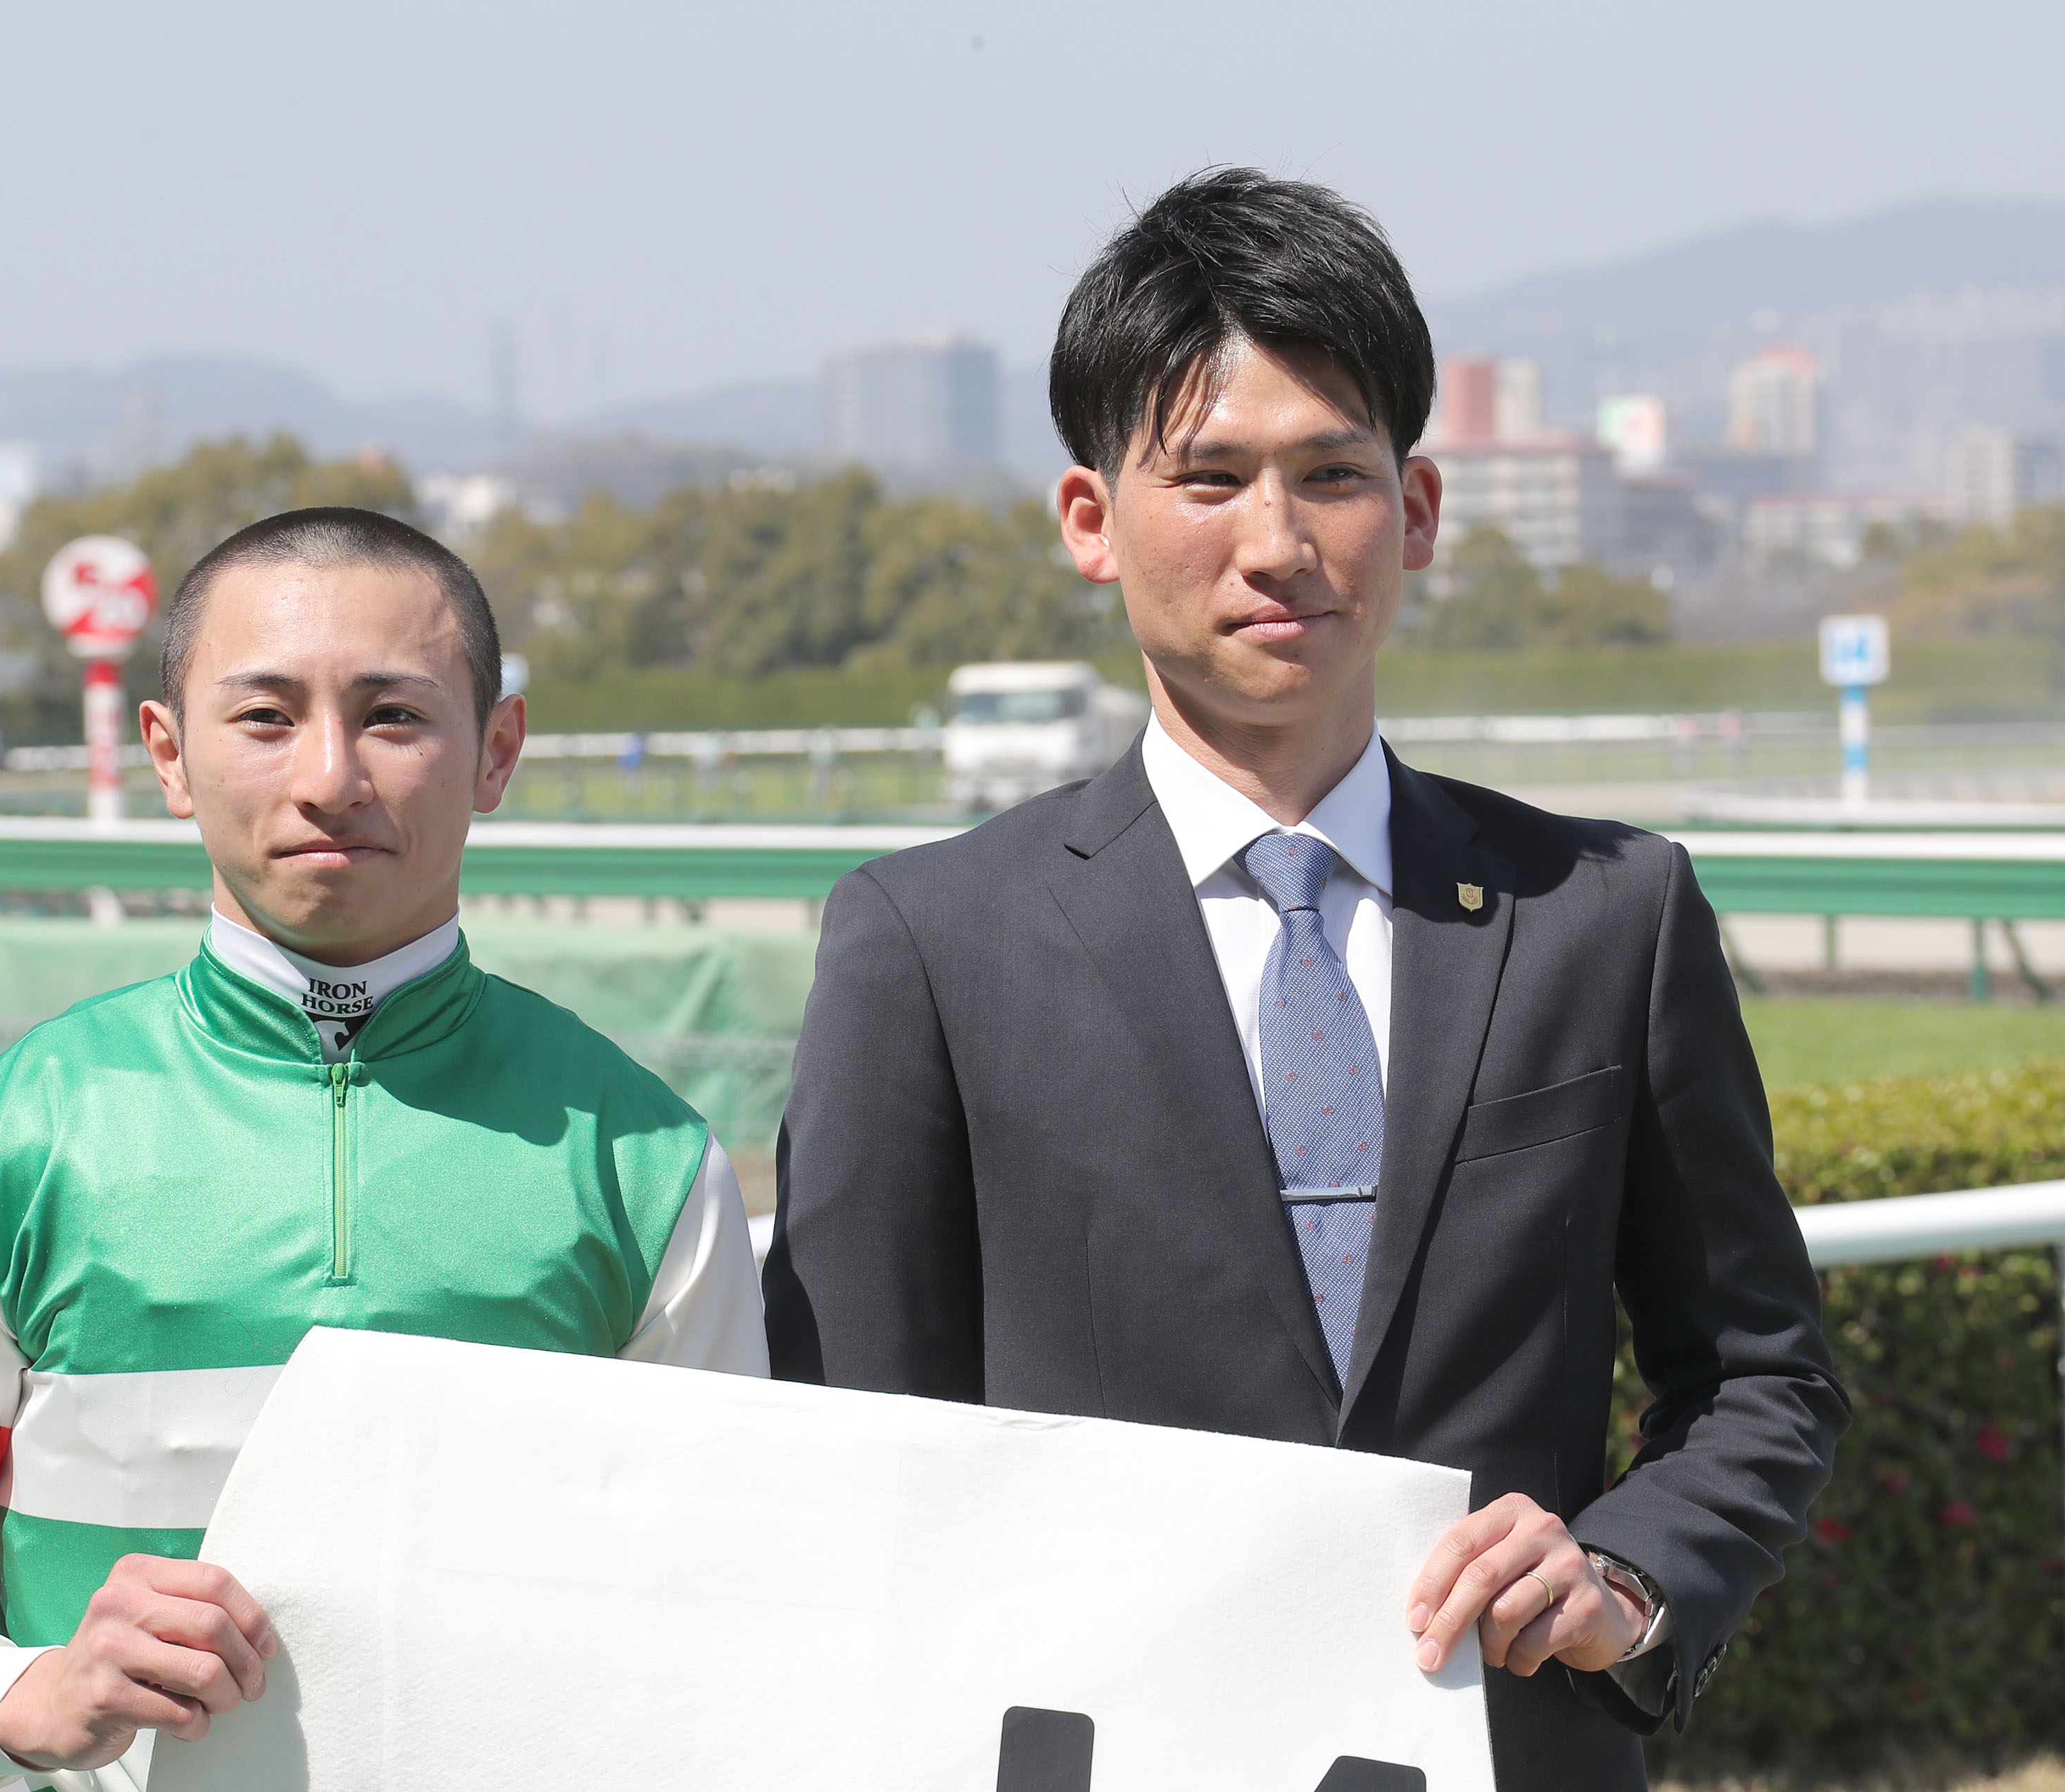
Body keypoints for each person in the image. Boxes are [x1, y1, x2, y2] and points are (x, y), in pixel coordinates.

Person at [765, 170, 1846, 1789]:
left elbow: (1760, 1375)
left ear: (1416, 510)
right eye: (1207, 478)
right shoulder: (928, 943)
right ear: (1090, 520)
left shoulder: (1604, 915)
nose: (1276, 544)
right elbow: (853, 1454)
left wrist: (1623, 1579)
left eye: (1332, 474)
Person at [0, 508, 767, 1790]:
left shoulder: (645, 1163)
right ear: (168, 754)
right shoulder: (11, 1140)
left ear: (497, 751)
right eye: (264, 717)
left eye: (394, 716)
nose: (329, 777)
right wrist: (21, 1695)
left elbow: (736, 1621)